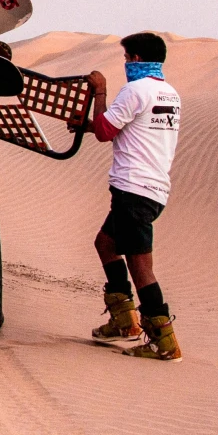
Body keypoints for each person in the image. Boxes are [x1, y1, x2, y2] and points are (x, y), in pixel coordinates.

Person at [83, 32, 184, 360]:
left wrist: (100, 91)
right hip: (153, 189)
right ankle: (124, 321)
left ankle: (163, 340)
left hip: (133, 189)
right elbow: (135, 129)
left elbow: (104, 132)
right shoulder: (169, 94)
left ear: (137, 59)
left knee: (140, 264)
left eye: (127, 58)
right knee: (105, 243)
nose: (125, 64)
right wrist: (88, 124)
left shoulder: (135, 90)